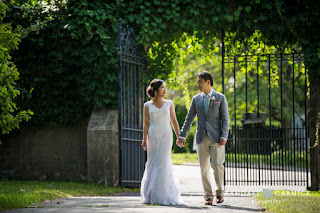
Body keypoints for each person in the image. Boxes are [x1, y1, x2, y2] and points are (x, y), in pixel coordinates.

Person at [177, 71, 229, 205]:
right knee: (203, 168)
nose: (198, 84)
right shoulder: (196, 99)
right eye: (197, 82)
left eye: (200, 82)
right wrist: (182, 135)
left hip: (217, 138)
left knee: (217, 166)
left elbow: (225, 118)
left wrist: (224, 135)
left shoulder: (220, 97)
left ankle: (220, 193)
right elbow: (189, 119)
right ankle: (208, 196)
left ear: (208, 82)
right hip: (201, 137)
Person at [140, 79, 185, 205]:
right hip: (153, 136)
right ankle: (150, 194)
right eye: (162, 88)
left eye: (165, 88)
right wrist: (144, 139)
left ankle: (162, 194)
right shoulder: (147, 105)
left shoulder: (169, 103)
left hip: (166, 135)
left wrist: (179, 137)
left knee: (163, 162)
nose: (165, 90)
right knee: (153, 162)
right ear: (155, 90)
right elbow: (145, 124)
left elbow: (174, 121)